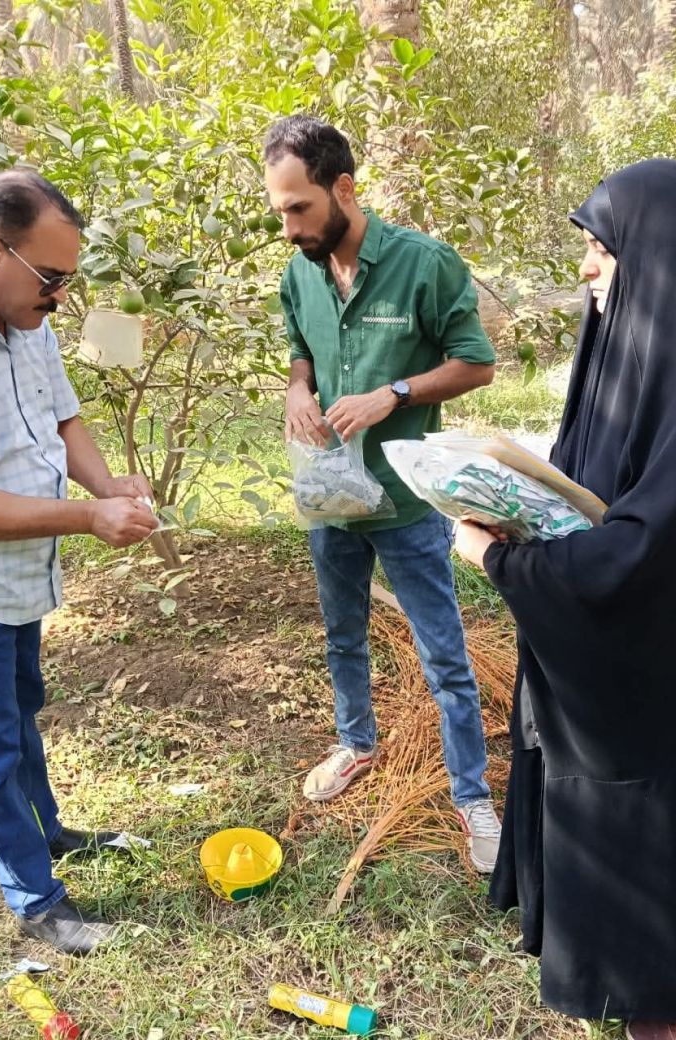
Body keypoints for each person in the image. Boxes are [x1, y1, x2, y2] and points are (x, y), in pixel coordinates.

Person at [455, 159, 676, 1040]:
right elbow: (594, 489)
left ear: (655, 254)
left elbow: (646, 556)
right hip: (632, 693)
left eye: (601, 248)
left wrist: (505, 566)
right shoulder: (639, 361)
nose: (587, 267)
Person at [264, 114, 502, 872]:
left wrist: (392, 393)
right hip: (331, 499)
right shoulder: (299, 272)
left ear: (344, 188)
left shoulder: (423, 265)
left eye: (299, 208)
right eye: (278, 211)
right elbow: (301, 354)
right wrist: (298, 393)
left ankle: (471, 796)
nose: (289, 227)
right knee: (343, 633)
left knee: (444, 656)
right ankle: (357, 743)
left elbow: (476, 362)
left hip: (402, 502)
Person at [0, 170, 159, 955]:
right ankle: (39, 903)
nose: (62, 297)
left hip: (16, 585)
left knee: (20, 719)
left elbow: (65, 417)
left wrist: (112, 484)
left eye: (69, 279)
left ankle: (51, 833)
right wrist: (87, 516)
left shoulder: (25, 319)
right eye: (52, 278)